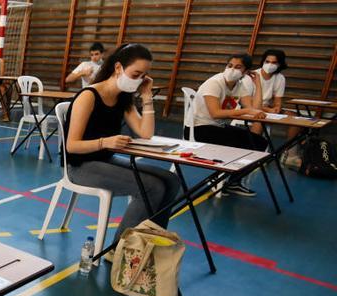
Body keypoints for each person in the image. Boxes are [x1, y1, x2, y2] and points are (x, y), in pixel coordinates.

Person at [65, 43, 180, 244]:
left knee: (171, 180)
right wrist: (104, 142)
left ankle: (148, 242)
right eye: (136, 74)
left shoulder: (122, 98)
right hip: (81, 166)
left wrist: (146, 96)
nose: (139, 80)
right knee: (151, 187)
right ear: (118, 68)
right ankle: (121, 248)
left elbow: (146, 133)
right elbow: (71, 146)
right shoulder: (89, 96)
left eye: (143, 76)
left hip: (105, 160)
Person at [185, 53, 268, 197]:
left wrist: (258, 84)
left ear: (246, 72)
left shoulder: (240, 85)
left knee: (260, 142)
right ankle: (222, 180)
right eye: (230, 66)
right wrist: (248, 110)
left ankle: (232, 182)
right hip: (199, 129)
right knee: (243, 145)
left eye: (238, 67)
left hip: (217, 127)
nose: (232, 69)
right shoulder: (215, 82)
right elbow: (215, 113)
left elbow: (254, 109)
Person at [244, 49, 302, 169]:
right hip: (249, 107)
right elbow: (248, 103)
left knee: (295, 118)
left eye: (274, 62)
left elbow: (278, 101)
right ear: (263, 61)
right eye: (267, 61)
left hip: (267, 108)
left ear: (279, 64)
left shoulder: (280, 78)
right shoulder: (252, 76)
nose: (270, 64)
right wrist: (268, 110)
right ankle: (253, 155)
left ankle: (289, 155)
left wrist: (276, 109)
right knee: (259, 121)